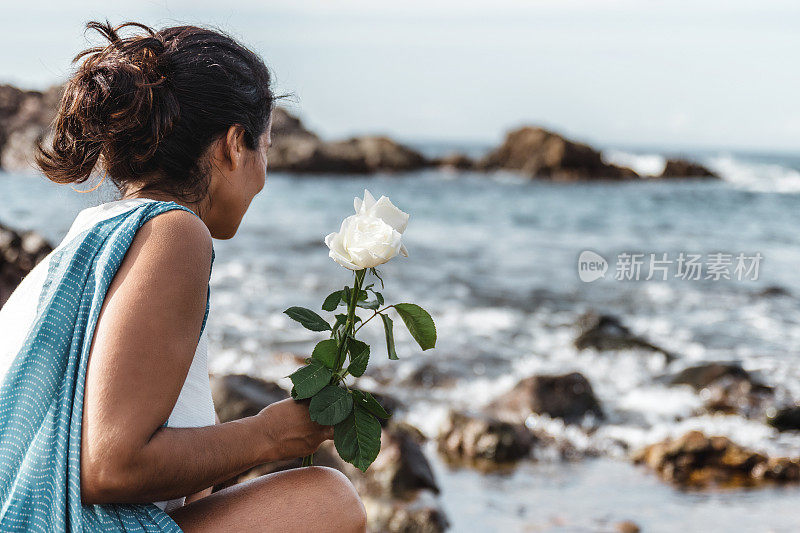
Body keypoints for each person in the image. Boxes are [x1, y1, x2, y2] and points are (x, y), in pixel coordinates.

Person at [0, 21, 366, 533]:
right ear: (234, 145)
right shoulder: (175, 232)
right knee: (328, 498)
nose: (263, 174)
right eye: (265, 148)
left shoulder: (87, 239)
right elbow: (110, 466)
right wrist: (269, 436)